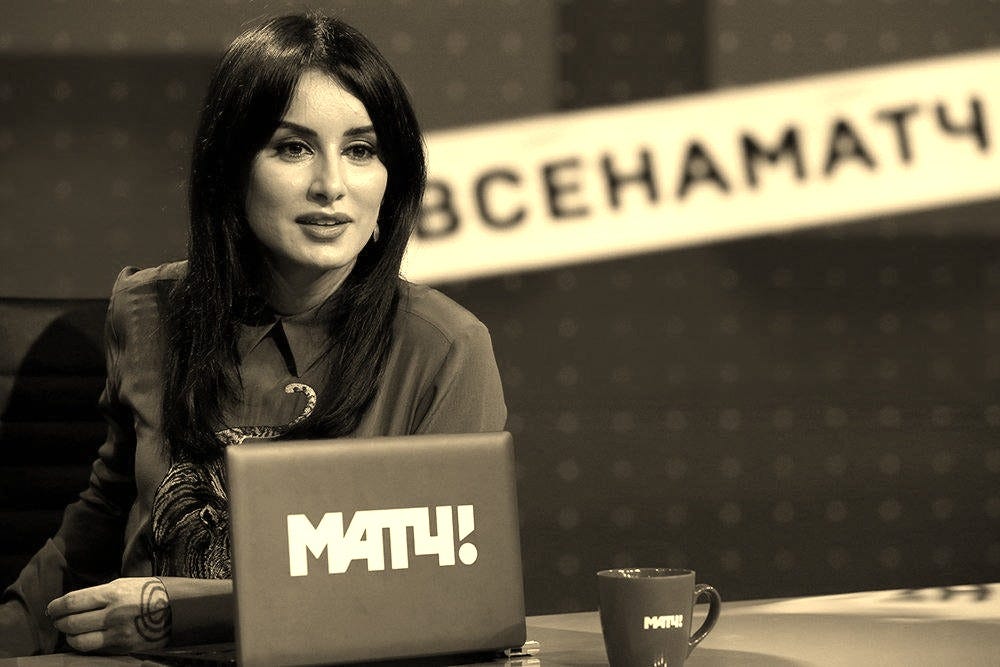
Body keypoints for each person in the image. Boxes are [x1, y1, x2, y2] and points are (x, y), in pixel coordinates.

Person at [0, 13, 506, 657]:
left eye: (361, 150)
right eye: (293, 148)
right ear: (231, 168)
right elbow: (103, 520)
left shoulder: (445, 348)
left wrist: (191, 613)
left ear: (392, 179)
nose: (331, 186)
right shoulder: (148, 309)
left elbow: (447, 599)